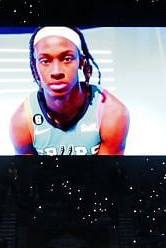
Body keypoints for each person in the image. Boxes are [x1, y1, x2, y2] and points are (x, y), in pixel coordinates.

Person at [8, 27, 130, 156]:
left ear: (81, 62)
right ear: (35, 65)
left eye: (67, 59)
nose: (56, 72)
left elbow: (107, 175)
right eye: (45, 61)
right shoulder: (22, 122)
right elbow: (28, 175)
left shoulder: (111, 114)